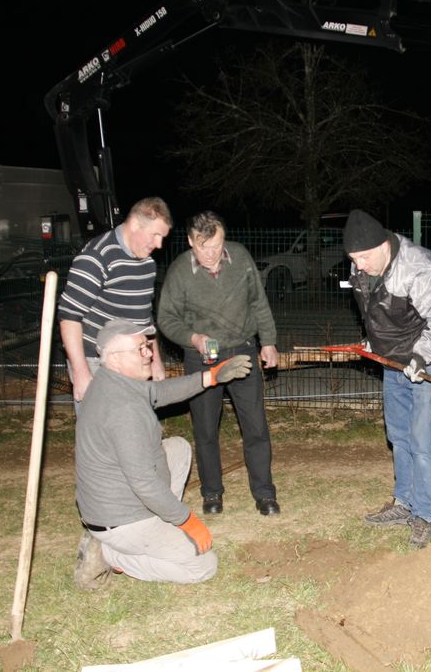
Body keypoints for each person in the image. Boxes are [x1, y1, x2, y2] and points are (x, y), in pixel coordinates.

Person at [73, 318, 253, 590]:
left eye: (147, 346)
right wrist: (186, 521)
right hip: (122, 520)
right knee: (203, 565)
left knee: (177, 447)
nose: (149, 354)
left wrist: (211, 376)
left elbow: (158, 391)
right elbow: (143, 482)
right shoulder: (124, 410)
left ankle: (157, 521)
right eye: (140, 349)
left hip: (109, 504)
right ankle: (109, 555)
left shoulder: (109, 381)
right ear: (116, 358)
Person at [343, 209, 431, 549]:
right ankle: (403, 502)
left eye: (364, 258)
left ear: (384, 245)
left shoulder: (417, 268)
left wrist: (420, 356)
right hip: (393, 357)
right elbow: (376, 309)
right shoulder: (362, 265)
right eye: (353, 259)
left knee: (422, 438)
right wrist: (374, 341)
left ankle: (423, 514)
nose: (358, 266)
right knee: (398, 434)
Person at [157, 210, 281, 517]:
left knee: (255, 426)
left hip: (242, 351)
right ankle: (212, 492)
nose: (212, 254)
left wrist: (268, 341)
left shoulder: (240, 257)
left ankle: (265, 493)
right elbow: (166, 318)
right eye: (204, 247)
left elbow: (258, 301)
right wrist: (193, 337)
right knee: (205, 429)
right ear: (191, 241)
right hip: (202, 358)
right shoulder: (180, 271)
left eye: (217, 245)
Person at [58, 196, 172, 408]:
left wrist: (155, 360)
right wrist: (81, 372)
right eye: (155, 235)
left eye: (162, 237)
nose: (159, 244)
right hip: (97, 361)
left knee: (133, 421)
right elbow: (69, 317)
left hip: (135, 358)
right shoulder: (96, 257)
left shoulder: (148, 263)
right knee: (101, 425)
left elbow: (144, 317)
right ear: (135, 224)